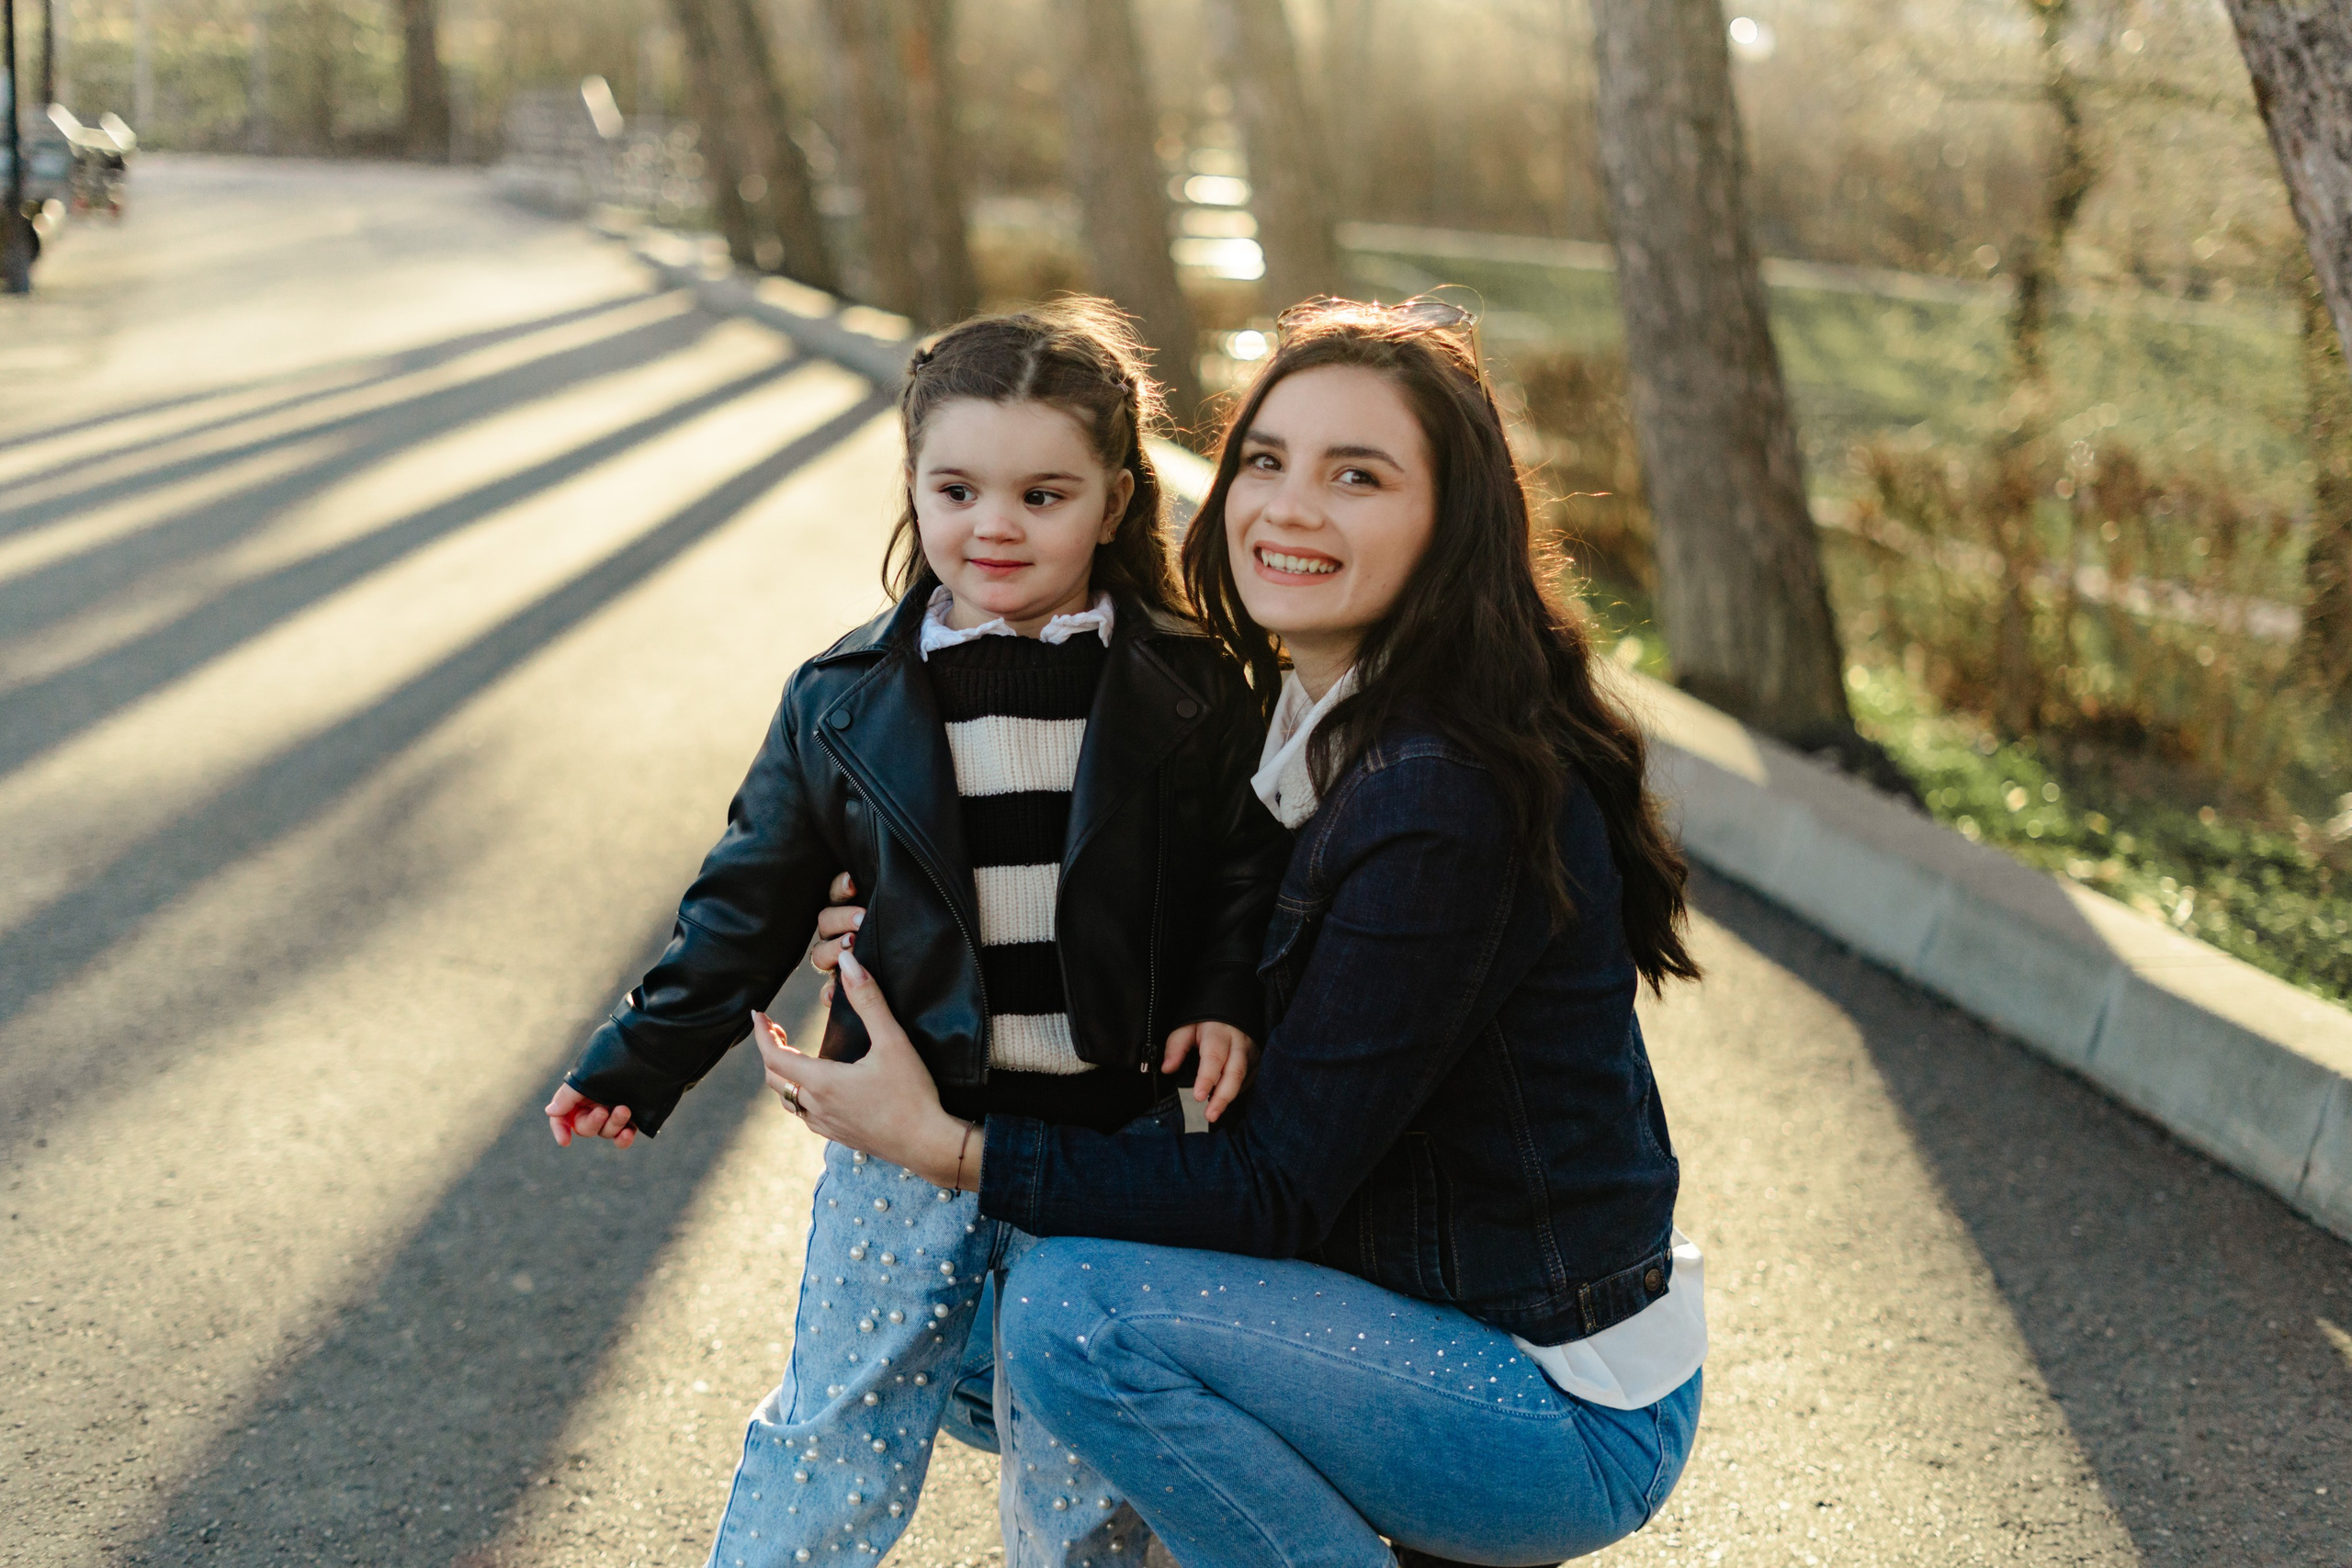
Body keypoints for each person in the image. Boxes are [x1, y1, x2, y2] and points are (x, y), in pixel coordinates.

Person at [768, 298, 1709, 1567]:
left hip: (1539, 1407)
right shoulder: (1289, 729)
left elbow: (1269, 1186)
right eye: (1265, 461)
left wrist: (940, 1144)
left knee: (1074, 1316)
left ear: (1451, 523)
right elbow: (1127, 918)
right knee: (927, 1315)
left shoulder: (1440, 795)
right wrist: (913, 902)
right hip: (1396, 1325)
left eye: (1356, 475)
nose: (1288, 506)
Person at [541, 299, 1292, 1565]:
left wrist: (1220, 993)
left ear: (1113, 503)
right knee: (837, 1416)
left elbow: (1239, 874)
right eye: (958, 488)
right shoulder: (844, 703)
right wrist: (643, 1054)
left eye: (1043, 495)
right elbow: (749, 895)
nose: (995, 525)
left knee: (1082, 1466)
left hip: (1107, 1141)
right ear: (914, 485)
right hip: (900, 1132)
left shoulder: (1192, 690)